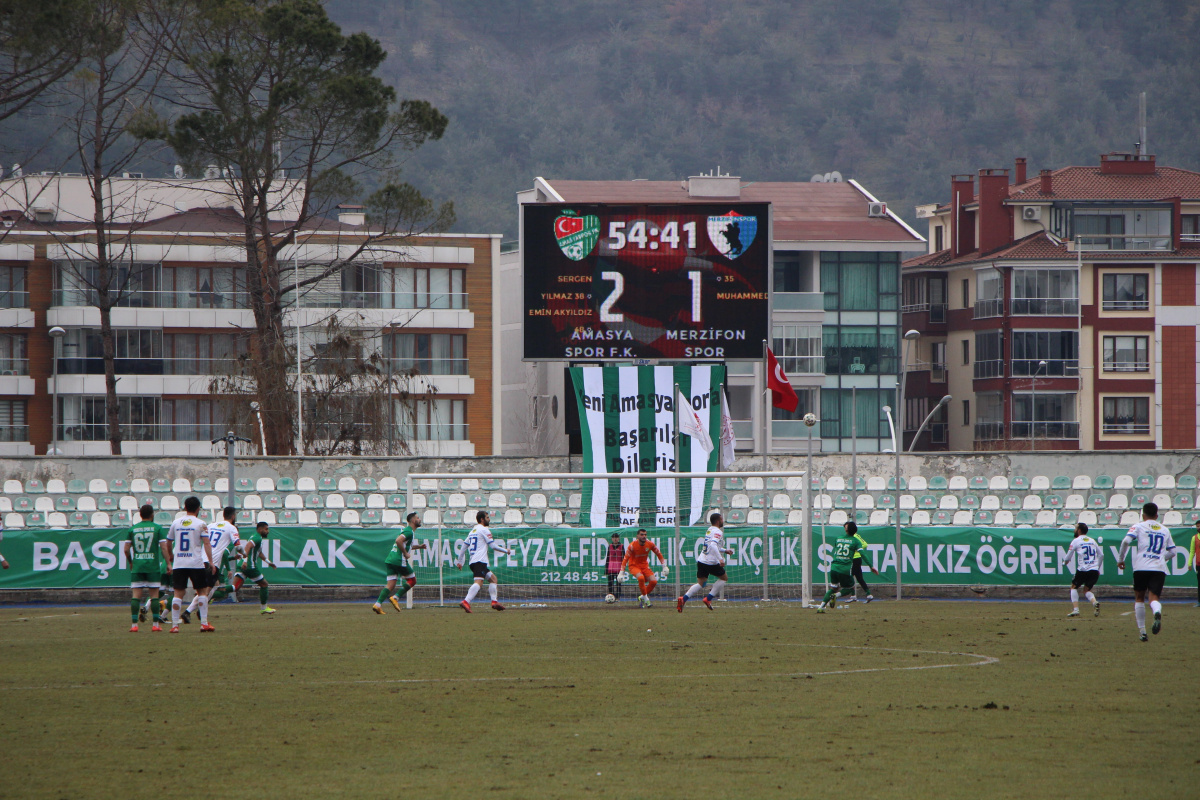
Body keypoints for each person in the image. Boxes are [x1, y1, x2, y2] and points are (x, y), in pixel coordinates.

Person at [1117, 502, 1185, 641]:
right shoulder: (1165, 529)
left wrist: (1120, 559)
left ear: (1143, 514)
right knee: (1153, 598)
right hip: (1158, 568)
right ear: (1156, 515)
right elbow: (1173, 552)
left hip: (1141, 566)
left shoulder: (1139, 526)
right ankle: (1157, 611)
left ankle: (1142, 632)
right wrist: (1160, 558)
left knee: (1139, 598)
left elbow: (1125, 541)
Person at [183, 506, 240, 623]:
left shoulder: (211, 525)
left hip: (200, 560)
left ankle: (200, 609)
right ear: (233, 516)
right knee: (205, 591)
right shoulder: (231, 528)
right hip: (211, 563)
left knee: (214, 585)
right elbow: (238, 546)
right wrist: (244, 553)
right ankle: (188, 612)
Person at [166, 496, 215, 633]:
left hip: (179, 563)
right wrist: (211, 562)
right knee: (202, 592)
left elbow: (168, 542)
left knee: (178, 593)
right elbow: (206, 543)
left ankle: (175, 625)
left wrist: (170, 555)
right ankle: (204, 624)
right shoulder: (201, 524)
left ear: (185, 507)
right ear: (198, 508)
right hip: (195, 563)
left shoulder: (176, 523)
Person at [124, 504, 168, 632]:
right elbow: (164, 548)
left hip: (138, 566)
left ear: (140, 515)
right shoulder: (157, 528)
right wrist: (168, 563)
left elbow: (126, 549)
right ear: (152, 515)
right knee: (154, 595)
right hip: (152, 567)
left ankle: (134, 625)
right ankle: (155, 624)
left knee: (136, 596)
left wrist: (131, 562)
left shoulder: (132, 529)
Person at [455, 510, 511, 612]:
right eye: (487, 517)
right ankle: (466, 601)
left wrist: (460, 561)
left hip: (474, 562)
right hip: (479, 561)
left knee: (493, 579)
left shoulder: (473, 531)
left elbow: (464, 546)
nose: (489, 519)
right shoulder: (484, 530)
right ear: (482, 519)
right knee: (479, 582)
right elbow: (493, 546)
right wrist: (505, 550)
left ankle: (494, 602)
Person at [373, 512, 427, 614]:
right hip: (398, 560)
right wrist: (405, 553)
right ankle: (395, 598)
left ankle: (377, 605)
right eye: (417, 518)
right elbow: (398, 541)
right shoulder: (409, 531)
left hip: (390, 560)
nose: (419, 519)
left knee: (391, 584)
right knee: (412, 580)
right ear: (412, 520)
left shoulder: (407, 531)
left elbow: (405, 544)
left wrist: (419, 546)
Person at [677, 512, 732, 612]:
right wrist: (720, 558)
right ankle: (708, 599)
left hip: (702, 560)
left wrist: (725, 550)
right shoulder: (718, 532)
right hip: (711, 562)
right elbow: (713, 545)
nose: (723, 521)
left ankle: (683, 599)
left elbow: (712, 545)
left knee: (701, 583)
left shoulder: (710, 530)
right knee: (724, 578)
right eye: (721, 519)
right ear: (717, 521)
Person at [818, 523, 876, 612]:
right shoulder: (855, 541)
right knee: (850, 588)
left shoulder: (838, 538)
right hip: (845, 568)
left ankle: (821, 607)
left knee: (833, 588)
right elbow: (863, 554)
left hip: (834, 567)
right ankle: (835, 596)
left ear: (846, 530)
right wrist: (871, 566)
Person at [231, 520, 276, 615]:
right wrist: (246, 561)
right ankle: (264, 608)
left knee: (234, 587)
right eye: (266, 529)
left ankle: (210, 593)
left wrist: (269, 562)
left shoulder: (256, 537)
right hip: (250, 566)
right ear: (260, 529)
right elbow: (247, 546)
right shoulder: (257, 538)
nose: (268, 531)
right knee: (264, 585)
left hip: (243, 565)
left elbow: (259, 553)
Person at [1061, 522, 1102, 617]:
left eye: (1075, 528)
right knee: (1086, 590)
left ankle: (1076, 609)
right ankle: (1094, 602)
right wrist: (1097, 567)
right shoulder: (1092, 540)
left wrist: (1065, 562)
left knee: (1073, 587)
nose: (1074, 530)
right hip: (1094, 570)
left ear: (1079, 530)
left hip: (1083, 569)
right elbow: (1101, 555)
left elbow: (1068, 556)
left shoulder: (1076, 540)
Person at [621, 528, 668, 607]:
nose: (644, 536)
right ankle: (646, 600)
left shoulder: (650, 544)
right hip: (634, 566)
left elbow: (659, 554)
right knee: (641, 578)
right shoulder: (632, 546)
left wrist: (664, 566)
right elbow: (625, 559)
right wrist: (621, 572)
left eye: (645, 535)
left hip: (644, 566)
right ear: (637, 536)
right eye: (642, 535)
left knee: (654, 582)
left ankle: (642, 597)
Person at [843, 521, 878, 602]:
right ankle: (868, 594)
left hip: (855, 559)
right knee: (859, 578)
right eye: (845, 527)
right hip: (856, 559)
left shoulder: (854, 536)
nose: (845, 529)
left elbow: (865, 544)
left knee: (849, 577)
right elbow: (864, 544)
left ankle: (853, 595)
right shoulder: (853, 536)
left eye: (847, 527)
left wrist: (856, 548)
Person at [605, 532, 625, 601]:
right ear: (612, 539)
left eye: (616, 538)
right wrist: (606, 568)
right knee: (610, 582)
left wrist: (623, 569)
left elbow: (624, 557)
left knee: (618, 583)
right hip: (611, 567)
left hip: (619, 567)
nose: (615, 539)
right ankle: (611, 595)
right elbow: (607, 557)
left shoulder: (621, 546)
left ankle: (618, 597)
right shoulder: (610, 546)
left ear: (619, 539)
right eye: (613, 538)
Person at [1189, 519, 1200, 607]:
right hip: (1199, 564)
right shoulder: (1194, 538)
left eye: (1199, 526)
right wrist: (1189, 563)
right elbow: (1192, 551)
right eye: (1197, 526)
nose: (1198, 527)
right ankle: (1199, 601)